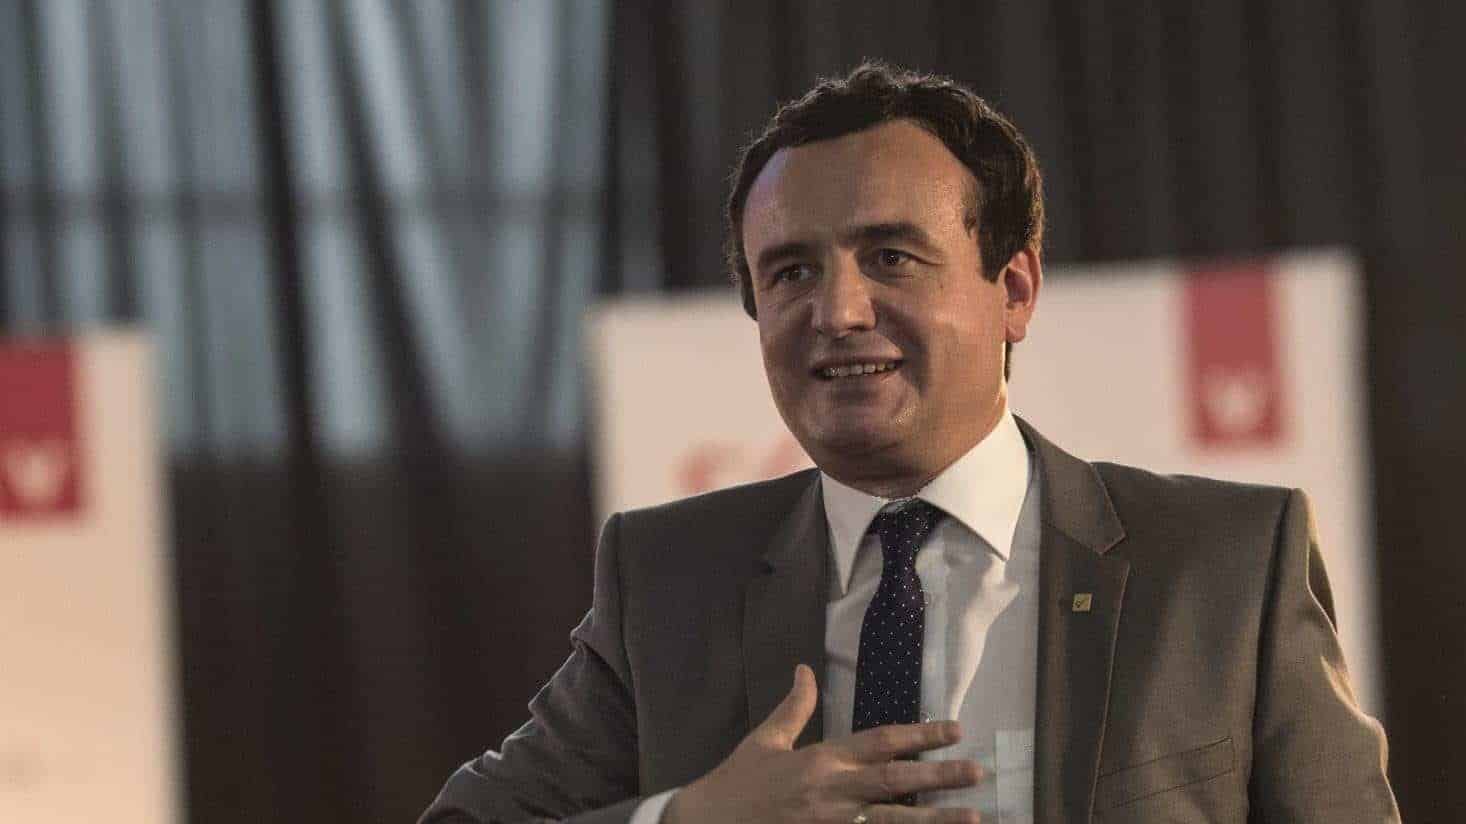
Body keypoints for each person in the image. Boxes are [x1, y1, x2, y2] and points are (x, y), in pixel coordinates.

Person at [421, 62, 1400, 824]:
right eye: (790, 272)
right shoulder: (669, 579)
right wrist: (690, 816)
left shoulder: (1226, 564)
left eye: (890, 256)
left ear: (1013, 290)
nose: (838, 311)